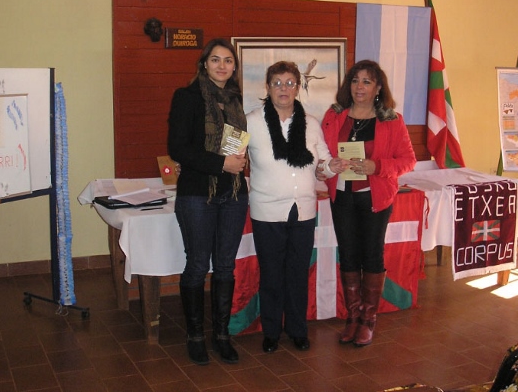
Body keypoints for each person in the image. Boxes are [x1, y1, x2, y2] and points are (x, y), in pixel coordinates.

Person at [246, 61, 344, 353]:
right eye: (277, 83)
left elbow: (322, 164)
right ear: (267, 87)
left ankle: (298, 330)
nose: (283, 89)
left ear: (298, 87)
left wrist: (330, 166)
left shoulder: (311, 124)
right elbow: (229, 153)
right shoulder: (250, 120)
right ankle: (272, 332)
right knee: (272, 273)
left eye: (290, 83)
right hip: (266, 211)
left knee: (298, 273)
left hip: (303, 210)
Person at [321, 59, 416, 347]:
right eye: (355, 81)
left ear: (378, 88)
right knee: (348, 256)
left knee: (371, 256)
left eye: (366, 81)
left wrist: (377, 167)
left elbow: (408, 161)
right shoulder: (334, 116)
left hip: (375, 199)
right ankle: (352, 316)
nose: (359, 87)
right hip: (342, 196)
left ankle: (368, 319)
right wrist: (327, 165)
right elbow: (320, 151)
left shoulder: (392, 120)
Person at [168, 38, 249, 365]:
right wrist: (221, 165)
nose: (221, 66)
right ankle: (196, 335)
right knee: (199, 264)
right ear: (204, 64)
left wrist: (239, 165)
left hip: (233, 193)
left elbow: (241, 145)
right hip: (197, 193)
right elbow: (178, 148)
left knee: (226, 266)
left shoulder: (237, 100)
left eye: (228, 60)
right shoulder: (186, 97)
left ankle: (222, 335)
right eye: (215, 60)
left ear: (234, 67)